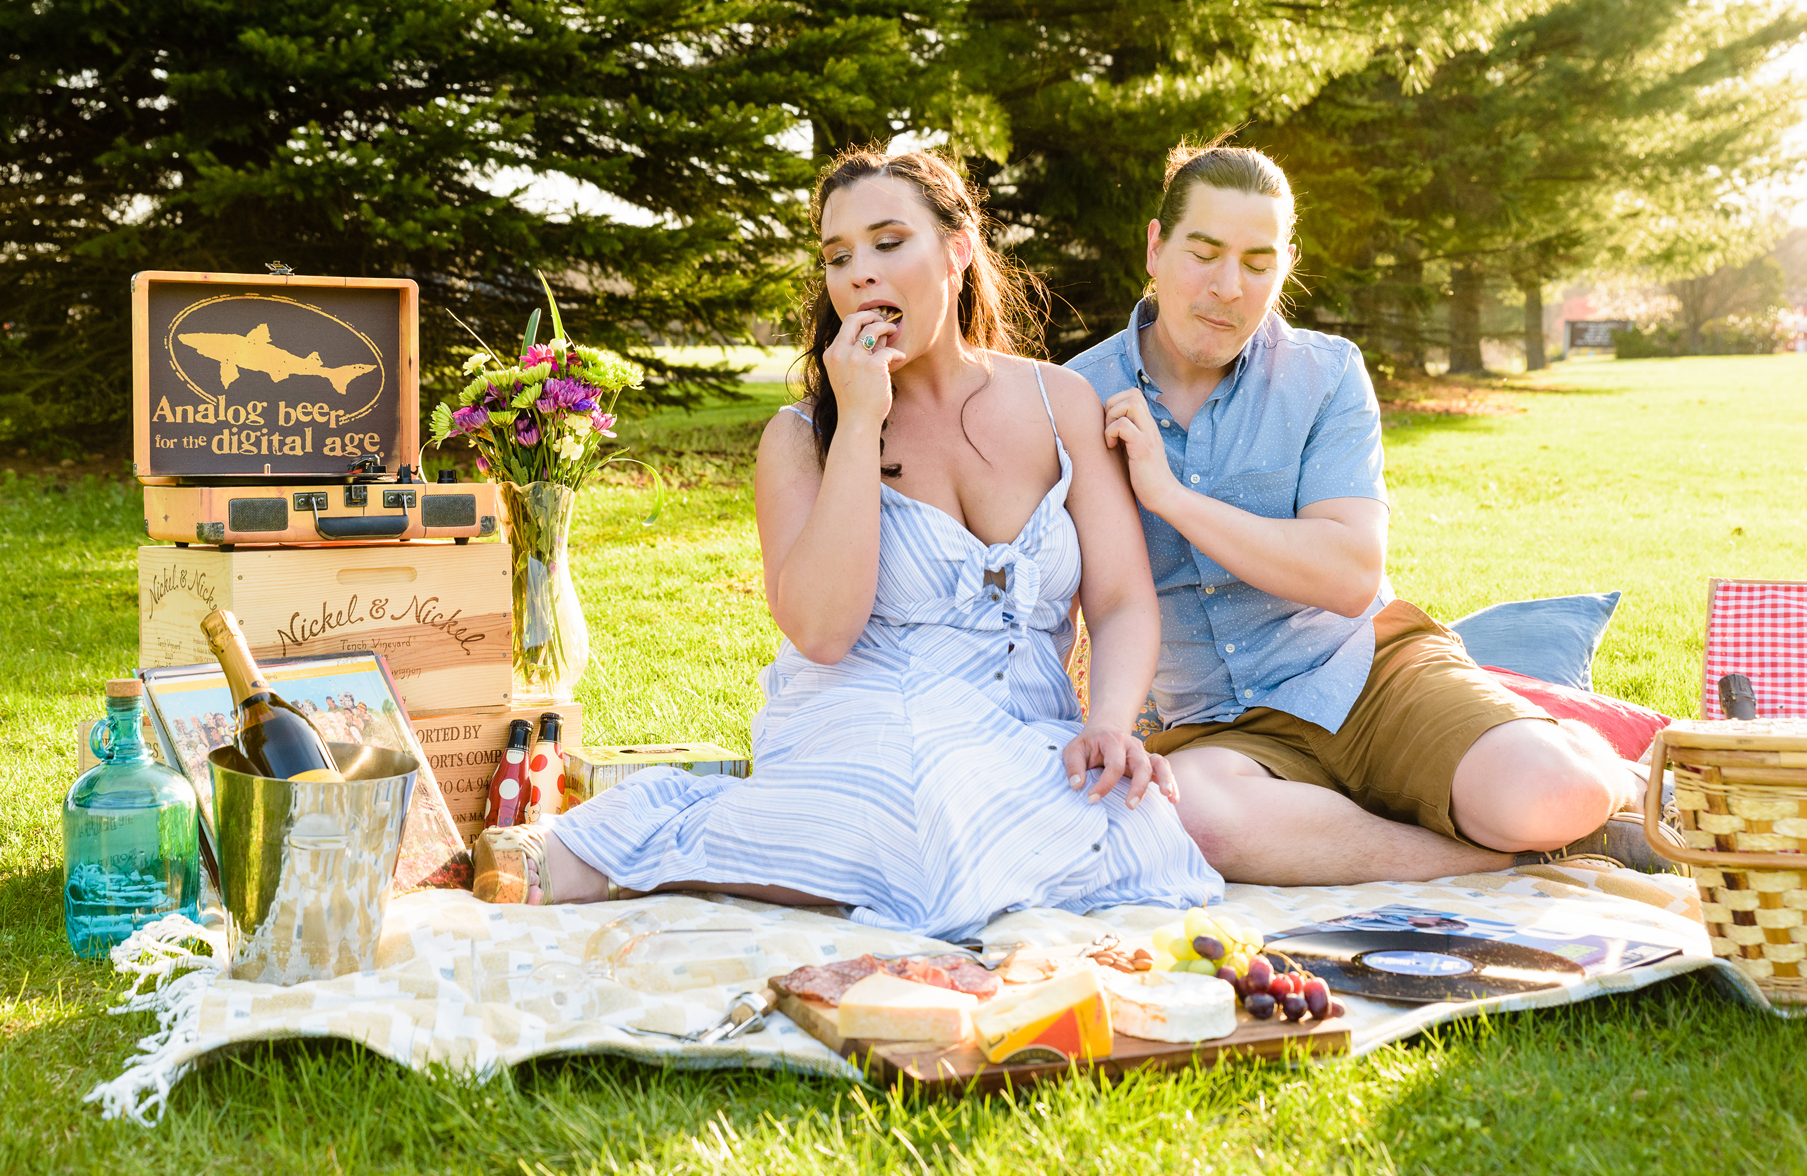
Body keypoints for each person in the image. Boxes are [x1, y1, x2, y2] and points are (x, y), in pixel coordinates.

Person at [471, 148, 1222, 936]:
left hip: (1025, 731)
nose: (859, 272)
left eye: (889, 242)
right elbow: (824, 632)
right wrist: (860, 420)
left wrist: (1106, 724)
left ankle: (746, 849)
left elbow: (1122, 599)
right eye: (838, 255)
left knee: (1142, 837)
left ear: (959, 250)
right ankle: (622, 846)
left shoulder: (1061, 400)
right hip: (868, 715)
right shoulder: (801, 437)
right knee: (936, 809)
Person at [1067, 141, 1672, 885]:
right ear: (1156, 248)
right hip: (1210, 724)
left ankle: (1625, 780)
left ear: (1286, 264)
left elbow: (1351, 574)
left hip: (1364, 672)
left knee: (1551, 791)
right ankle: (1497, 858)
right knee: (1196, 822)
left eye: (1258, 262)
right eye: (1205, 252)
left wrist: (1172, 498)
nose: (1228, 286)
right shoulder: (1074, 394)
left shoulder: (1326, 373)